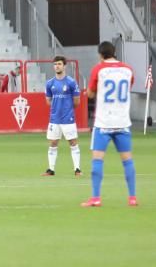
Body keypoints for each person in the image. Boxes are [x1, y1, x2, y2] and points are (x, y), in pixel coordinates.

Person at [81, 41, 137, 208]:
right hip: (122, 121)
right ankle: (132, 197)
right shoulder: (128, 69)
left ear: (100, 55)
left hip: (103, 122)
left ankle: (96, 198)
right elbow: (129, 86)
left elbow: (90, 93)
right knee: (127, 159)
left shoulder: (99, 69)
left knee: (97, 159)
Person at [43, 56, 82, 177]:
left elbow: (77, 101)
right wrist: (56, 109)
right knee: (53, 143)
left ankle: (77, 169)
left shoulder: (71, 82)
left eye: (59, 64)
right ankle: (51, 170)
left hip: (68, 118)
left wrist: (67, 110)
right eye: (55, 64)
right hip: (54, 119)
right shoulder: (50, 83)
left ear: (64, 66)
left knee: (73, 142)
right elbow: (48, 100)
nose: (57, 66)